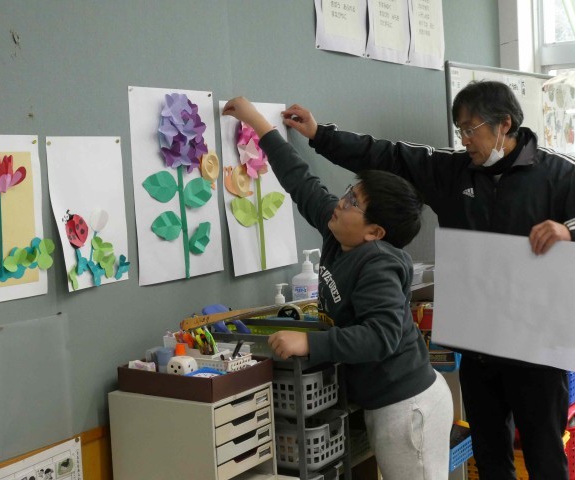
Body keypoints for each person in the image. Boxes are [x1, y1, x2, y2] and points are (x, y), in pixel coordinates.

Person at [278, 80, 575, 480]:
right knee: (490, 460)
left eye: (470, 129)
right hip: (480, 346)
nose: (463, 139)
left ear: (504, 124)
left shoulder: (557, 172)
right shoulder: (454, 170)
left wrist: (567, 230)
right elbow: (388, 156)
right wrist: (319, 135)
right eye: (459, 129)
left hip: (535, 350)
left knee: (545, 459)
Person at [223, 97, 454, 480]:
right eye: (348, 193)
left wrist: (310, 343)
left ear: (374, 232)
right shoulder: (339, 234)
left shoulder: (377, 262)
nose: (341, 203)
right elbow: (301, 182)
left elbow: (380, 336)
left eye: (353, 203)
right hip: (387, 403)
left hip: (409, 407)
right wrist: (258, 123)